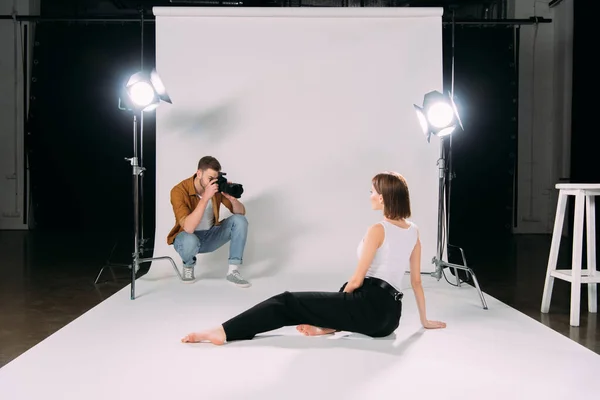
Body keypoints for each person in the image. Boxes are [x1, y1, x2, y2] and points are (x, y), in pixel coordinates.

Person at [181, 171, 446, 345]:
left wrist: (340, 299)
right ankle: (328, 326)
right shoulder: (414, 231)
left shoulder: (378, 229)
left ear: (384, 197)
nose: (370, 195)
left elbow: (357, 279)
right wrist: (424, 321)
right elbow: (416, 283)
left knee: (287, 302)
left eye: (372, 191)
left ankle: (223, 331)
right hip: (389, 319)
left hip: (368, 305)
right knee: (341, 293)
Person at [167, 156, 251, 287]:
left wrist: (232, 199)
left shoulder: (216, 188)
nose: (213, 182)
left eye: (215, 179)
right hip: (187, 238)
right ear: (199, 173)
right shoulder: (178, 191)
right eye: (210, 179)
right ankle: (188, 265)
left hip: (211, 235)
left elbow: (241, 213)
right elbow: (188, 228)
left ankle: (233, 271)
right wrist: (205, 198)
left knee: (240, 220)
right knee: (190, 239)